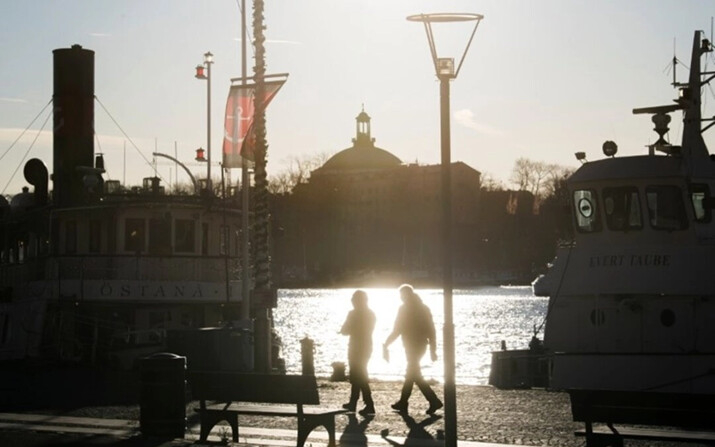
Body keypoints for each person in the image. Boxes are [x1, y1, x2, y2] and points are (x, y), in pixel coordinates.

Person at [383, 284, 443, 414]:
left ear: (408, 295)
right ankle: (406, 402)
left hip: (415, 346)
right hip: (416, 346)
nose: (401, 298)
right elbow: (431, 330)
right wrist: (432, 349)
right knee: (413, 375)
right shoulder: (422, 308)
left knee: (412, 374)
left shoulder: (407, 309)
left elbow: (397, 329)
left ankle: (432, 400)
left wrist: (386, 344)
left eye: (402, 295)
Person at [340, 289, 376, 416]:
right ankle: (355, 402)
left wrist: (347, 329)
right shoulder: (371, 314)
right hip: (367, 346)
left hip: (355, 346)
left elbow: (344, 330)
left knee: (357, 375)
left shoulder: (353, 314)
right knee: (359, 374)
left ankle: (368, 404)